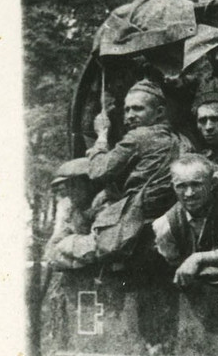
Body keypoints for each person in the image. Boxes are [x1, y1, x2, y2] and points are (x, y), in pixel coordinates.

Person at [46, 80, 192, 269]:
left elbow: (98, 171)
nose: (130, 116)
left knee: (58, 250)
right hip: (163, 221)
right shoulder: (182, 142)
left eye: (138, 109)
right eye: (127, 110)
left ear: (159, 112)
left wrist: (101, 135)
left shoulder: (138, 137)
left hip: (134, 224)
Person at [152, 154, 218, 287]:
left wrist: (199, 258)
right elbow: (177, 266)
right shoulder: (165, 226)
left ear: (212, 183)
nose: (189, 193)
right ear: (173, 187)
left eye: (196, 184)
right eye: (181, 186)